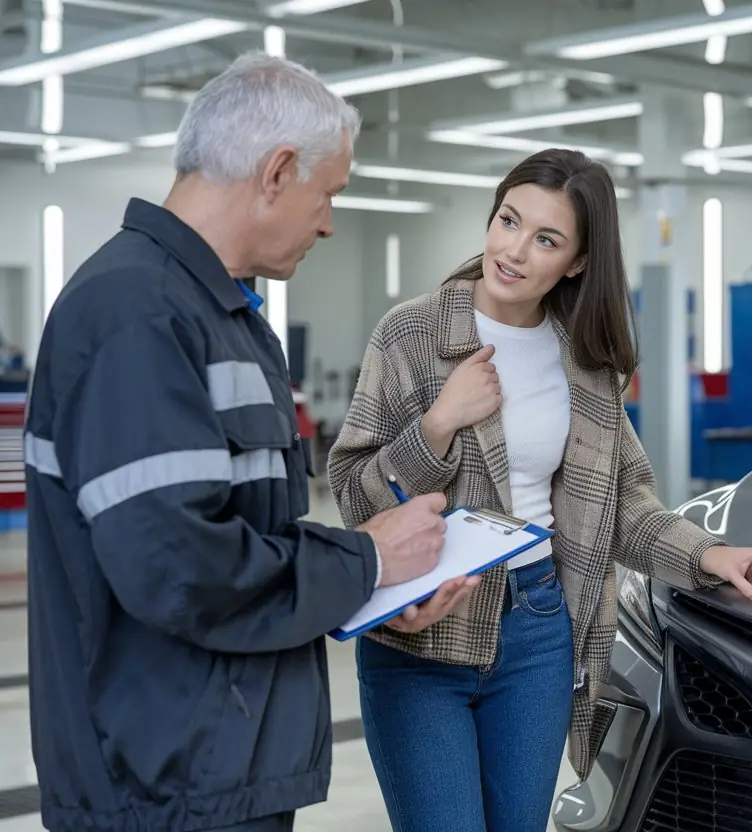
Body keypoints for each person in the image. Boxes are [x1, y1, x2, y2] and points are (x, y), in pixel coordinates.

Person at [22, 52, 476, 832]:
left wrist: (367, 589)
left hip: (213, 761)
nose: (330, 221)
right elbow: (179, 565)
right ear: (276, 172)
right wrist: (364, 559)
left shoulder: (215, 311)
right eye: (327, 193)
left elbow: (239, 535)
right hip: (162, 784)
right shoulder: (138, 314)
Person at [327, 148, 752, 832]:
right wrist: (437, 425)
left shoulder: (585, 361)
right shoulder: (412, 335)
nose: (514, 250)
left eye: (545, 238)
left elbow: (624, 501)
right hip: (425, 637)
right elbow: (353, 495)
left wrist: (707, 556)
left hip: (540, 632)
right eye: (507, 220)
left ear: (577, 262)